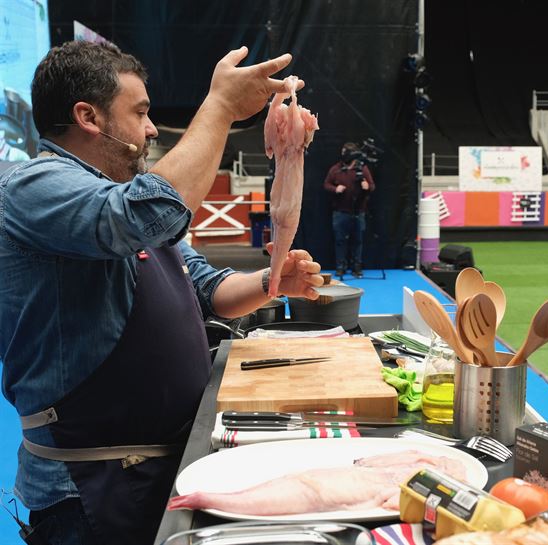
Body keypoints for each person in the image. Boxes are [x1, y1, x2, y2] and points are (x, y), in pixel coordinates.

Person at [0, 41, 323, 545]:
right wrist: (218, 107)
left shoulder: (120, 194)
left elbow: (206, 287)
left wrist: (270, 282)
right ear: (87, 116)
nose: (151, 129)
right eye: (141, 112)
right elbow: (142, 215)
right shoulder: (34, 186)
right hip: (89, 490)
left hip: (162, 468)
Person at [323, 142, 376, 278]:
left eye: (345, 152)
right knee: (340, 240)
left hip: (359, 212)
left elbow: (372, 186)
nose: (343, 154)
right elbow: (326, 184)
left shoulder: (362, 168)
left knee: (358, 241)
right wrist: (335, 189)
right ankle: (340, 267)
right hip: (340, 212)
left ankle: (357, 268)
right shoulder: (336, 169)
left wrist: (367, 186)